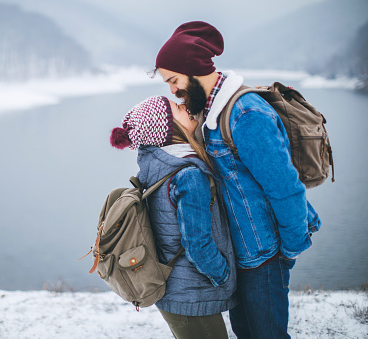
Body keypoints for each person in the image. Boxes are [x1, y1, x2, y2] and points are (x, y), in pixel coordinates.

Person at [153, 21, 322, 338]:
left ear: (192, 69)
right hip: (238, 254)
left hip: (264, 256)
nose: (172, 90)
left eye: (173, 80)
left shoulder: (245, 113)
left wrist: (289, 249)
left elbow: (284, 188)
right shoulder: (207, 112)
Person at [110, 95, 238, 339]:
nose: (187, 109)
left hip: (173, 290)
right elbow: (197, 244)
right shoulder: (189, 175)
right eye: (179, 108)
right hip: (192, 294)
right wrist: (224, 275)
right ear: (167, 128)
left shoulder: (156, 166)